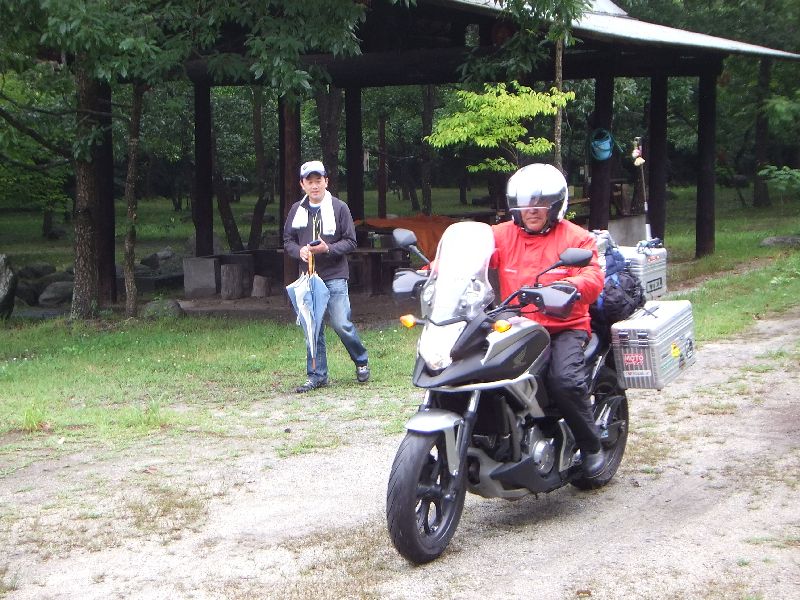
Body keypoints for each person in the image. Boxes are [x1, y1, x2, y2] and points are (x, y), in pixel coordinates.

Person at [490, 163, 607, 477]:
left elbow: (593, 276)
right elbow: (469, 255)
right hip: (517, 325)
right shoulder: (500, 235)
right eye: (525, 203)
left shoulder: (576, 238)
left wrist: (570, 287)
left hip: (564, 327)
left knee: (564, 381)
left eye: (540, 203)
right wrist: (432, 272)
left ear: (555, 205)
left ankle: (591, 446)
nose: (532, 209)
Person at [283, 160, 370, 393]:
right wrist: (299, 251)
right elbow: (288, 241)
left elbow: (351, 241)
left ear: (326, 182)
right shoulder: (296, 209)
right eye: (309, 181)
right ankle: (317, 375)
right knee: (313, 328)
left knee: (341, 323)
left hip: (335, 275)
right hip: (308, 277)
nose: (314, 186)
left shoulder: (340, 207)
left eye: (318, 180)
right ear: (302, 185)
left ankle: (361, 360)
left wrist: (327, 249)